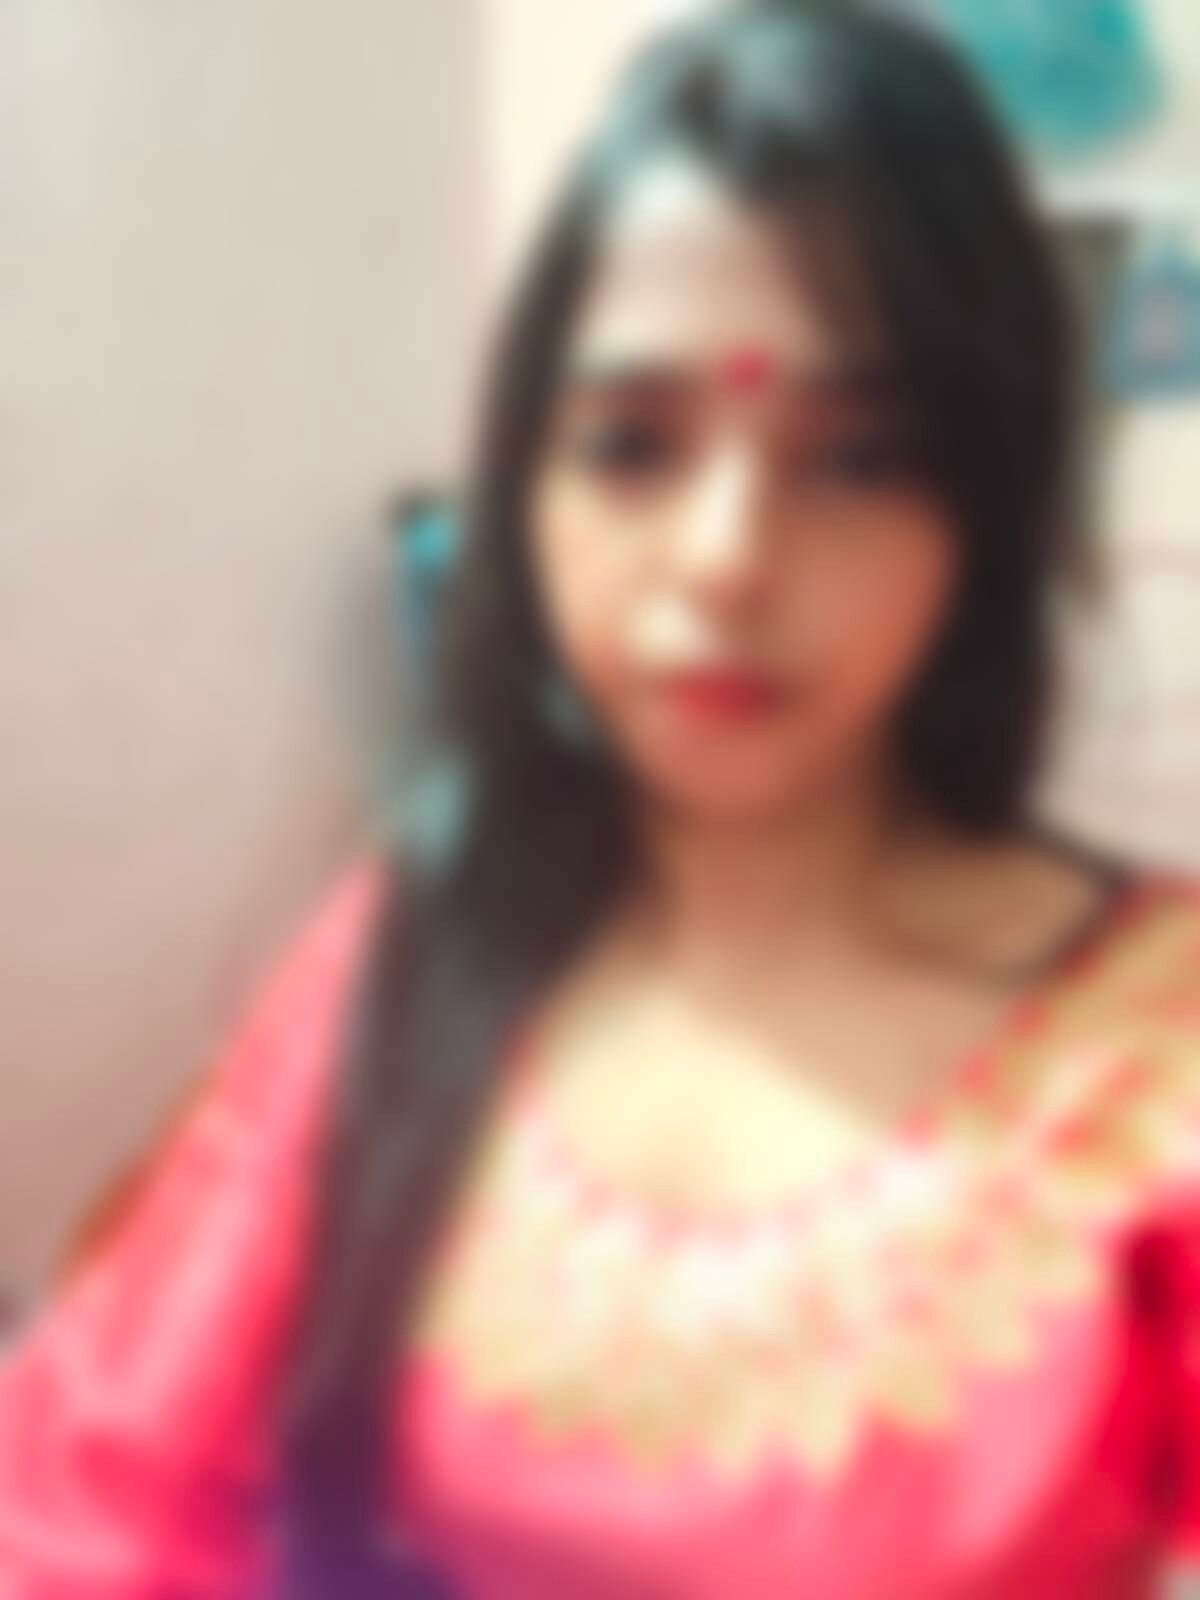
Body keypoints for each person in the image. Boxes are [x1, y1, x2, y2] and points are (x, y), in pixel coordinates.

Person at [4, 3, 1200, 1596]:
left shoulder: (1155, 1056)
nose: (725, 558)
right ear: (526, 492)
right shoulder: (415, 952)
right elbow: (92, 1504)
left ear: (985, 505)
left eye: (859, 459)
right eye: (633, 447)